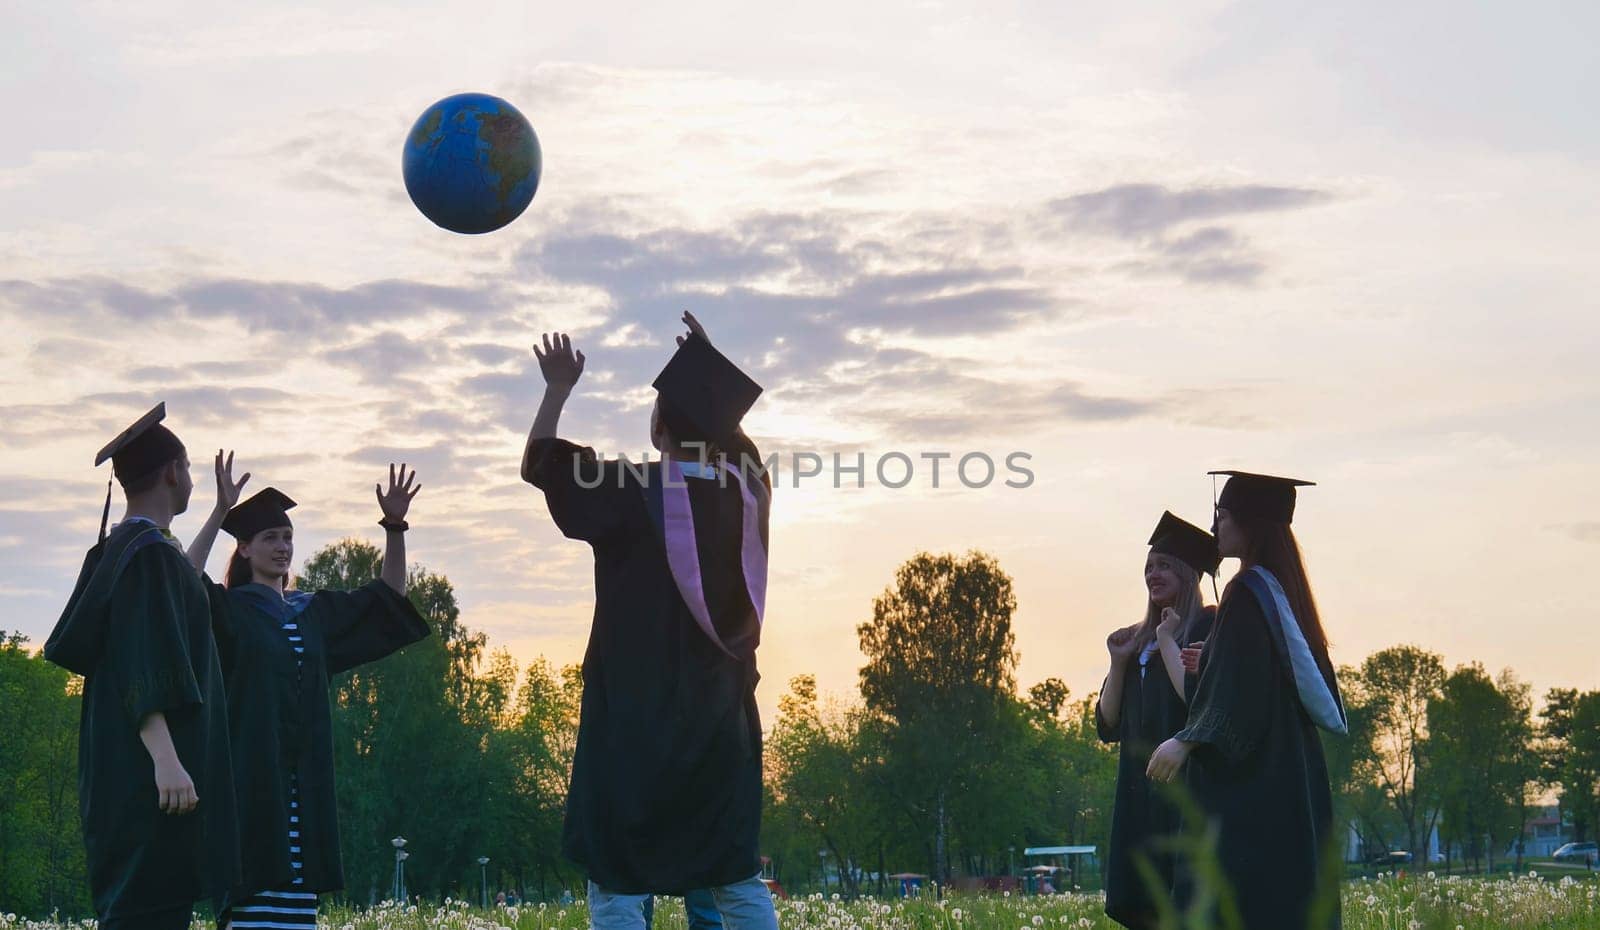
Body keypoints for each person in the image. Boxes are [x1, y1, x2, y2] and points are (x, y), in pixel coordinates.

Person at [521, 312, 776, 930]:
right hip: (720, 718)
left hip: (632, 718)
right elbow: (742, 451)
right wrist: (708, 374)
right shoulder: (746, 493)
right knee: (734, 877)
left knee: (618, 880)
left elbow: (540, 465)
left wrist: (557, 389)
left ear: (658, 425)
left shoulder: (626, 489)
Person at [186, 467, 430, 928]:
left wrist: (394, 527)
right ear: (244, 547)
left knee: (298, 908)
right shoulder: (228, 609)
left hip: (306, 789)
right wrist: (220, 512)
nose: (282, 547)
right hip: (251, 785)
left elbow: (386, 600)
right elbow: (181, 583)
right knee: (253, 904)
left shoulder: (311, 612)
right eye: (270, 538)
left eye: (287, 538)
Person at [44, 404, 242, 930]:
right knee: (146, 911)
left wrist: (221, 512)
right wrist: (167, 761)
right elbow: (142, 657)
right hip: (151, 778)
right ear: (174, 471)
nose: (194, 480)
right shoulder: (147, 555)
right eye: (191, 468)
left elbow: (181, 580)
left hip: (119, 774)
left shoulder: (124, 550)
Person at [1146, 472, 1347, 930]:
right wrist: (1211, 662)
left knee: (1244, 899)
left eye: (1223, 515)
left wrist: (1186, 740)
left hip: (1254, 781)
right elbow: (1255, 678)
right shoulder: (1285, 590)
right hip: (1290, 769)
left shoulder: (1246, 592)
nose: (1215, 527)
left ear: (1249, 524)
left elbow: (1241, 695)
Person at [1095, 511, 1219, 929]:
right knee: (1143, 903)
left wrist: (1168, 639)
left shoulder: (1209, 626)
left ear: (1188, 573)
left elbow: (1198, 698)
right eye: (1149, 567)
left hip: (1186, 785)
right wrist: (1118, 662)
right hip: (1138, 788)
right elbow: (1108, 723)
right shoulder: (1136, 637)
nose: (1154, 575)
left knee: (1184, 900)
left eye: (1165, 565)